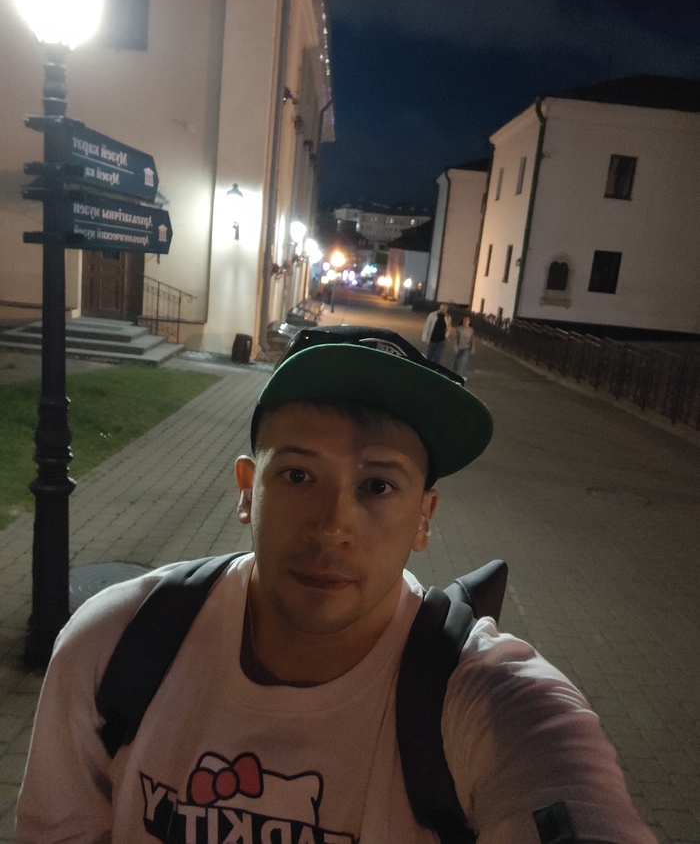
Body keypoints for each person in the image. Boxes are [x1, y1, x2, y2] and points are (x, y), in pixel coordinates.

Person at [16, 326, 655, 844]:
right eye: (298, 476)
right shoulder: (115, 645)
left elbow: (557, 773)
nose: (332, 528)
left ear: (424, 518)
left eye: (378, 485)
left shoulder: (485, 700)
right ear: (248, 490)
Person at [450, 313, 474, 379]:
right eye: (465, 320)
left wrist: (472, 347)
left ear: (469, 322)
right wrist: (455, 346)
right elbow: (456, 338)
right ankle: (453, 371)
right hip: (459, 347)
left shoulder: (471, 330)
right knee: (456, 360)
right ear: (463, 321)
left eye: (467, 321)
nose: (466, 322)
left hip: (467, 347)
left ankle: (462, 375)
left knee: (464, 360)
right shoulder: (459, 329)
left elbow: (472, 339)